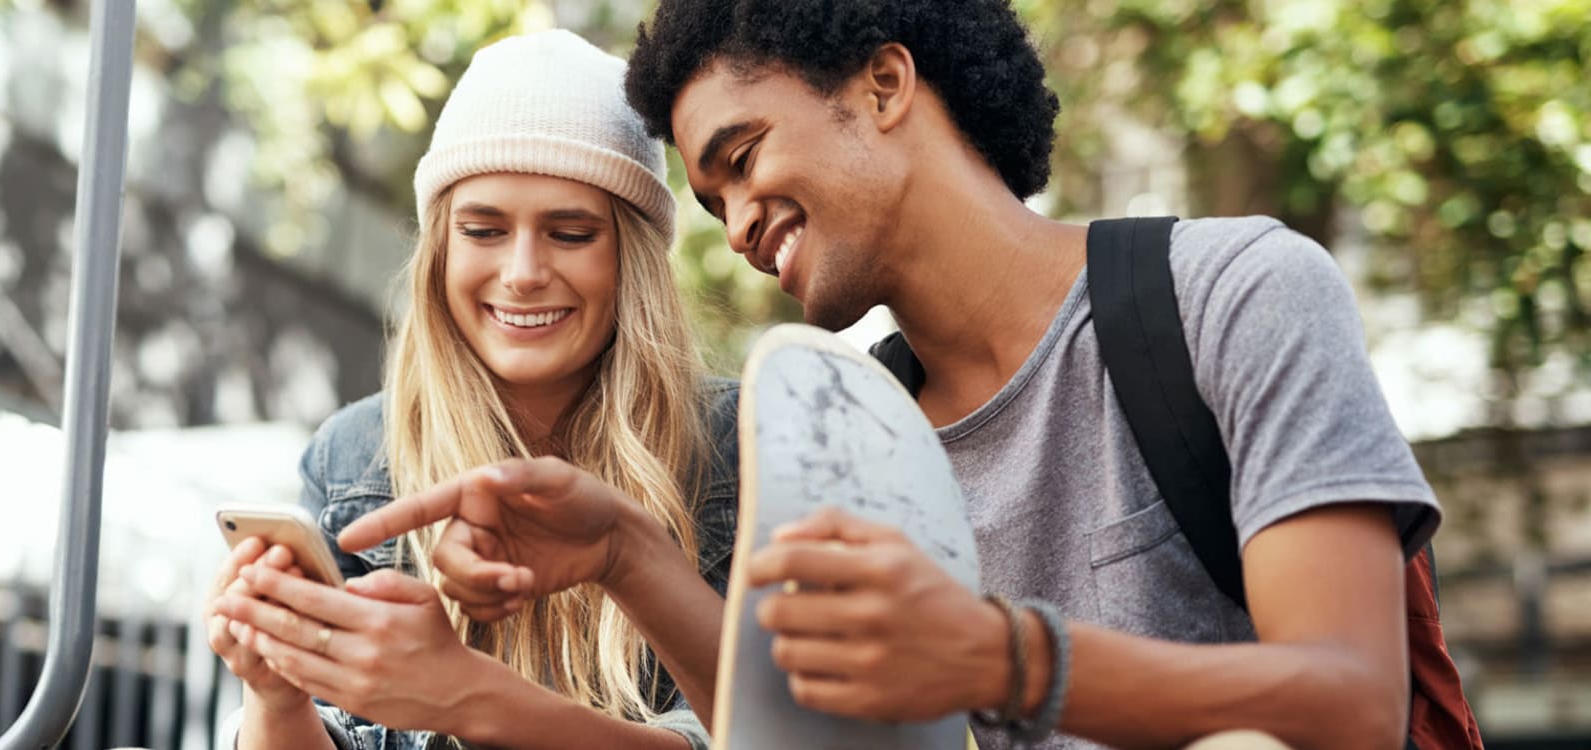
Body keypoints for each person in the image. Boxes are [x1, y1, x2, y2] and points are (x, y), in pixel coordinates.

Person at [343, 2, 1447, 749]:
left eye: (739, 158)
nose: (732, 227)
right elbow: (791, 739)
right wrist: (624, 551)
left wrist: (997, 656)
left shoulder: (1229, 292)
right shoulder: (837, 424)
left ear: (880, 84)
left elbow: (1348, 700)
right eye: (711, 200)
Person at [204, 29, 739, 750]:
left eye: (571, 233)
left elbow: (762, 733)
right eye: (483, 229)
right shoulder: (356, 456)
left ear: (631, 261)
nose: (521, 271)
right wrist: (274, 693)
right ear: (441, 250)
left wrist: (468, 698)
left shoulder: (740, 441)